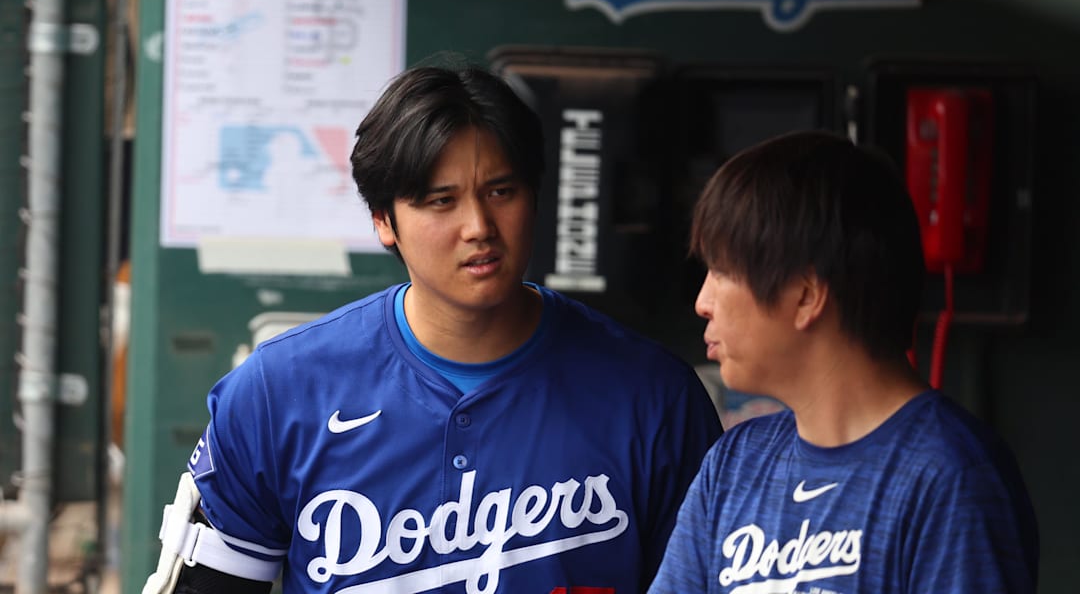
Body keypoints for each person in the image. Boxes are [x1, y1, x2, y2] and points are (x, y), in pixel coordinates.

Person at [143, 62, 722, 594]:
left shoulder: (653, 397)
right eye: (440, 201)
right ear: (383, 221)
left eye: (501, 191)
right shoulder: (277, 392)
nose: (478, 226)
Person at [648, 130, 1039, 593]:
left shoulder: (950, 476)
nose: (703, 301)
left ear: (807, 296)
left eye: (723, 271)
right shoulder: (734, 464)